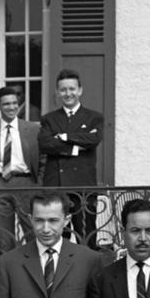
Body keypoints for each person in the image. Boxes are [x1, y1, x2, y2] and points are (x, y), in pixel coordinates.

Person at [38, 70, 104, 248]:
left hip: (83, 186)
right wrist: (75, 148)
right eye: (63, 90)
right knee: (57, 238)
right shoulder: (49, 119)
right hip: (57, 186)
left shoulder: (94, 117)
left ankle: (89, 275)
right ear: (58, 92)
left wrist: (65, 137)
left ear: (80, 90)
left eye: (72, 89)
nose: (68, 93)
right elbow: (45, 144)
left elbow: (94, 140)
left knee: (87, 236)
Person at [0, 85, 41, 256]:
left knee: (34, 234)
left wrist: (40, 185)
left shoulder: (33, 129)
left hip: (27, 183)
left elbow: (44, 159)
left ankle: (36, 276)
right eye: (6, 104)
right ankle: (10, 279)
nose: (12, 107)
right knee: (4, 238)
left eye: (15, 103)